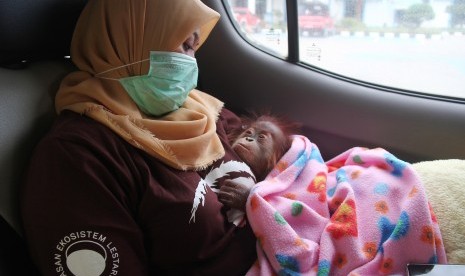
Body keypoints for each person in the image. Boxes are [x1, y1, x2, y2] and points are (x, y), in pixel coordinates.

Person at [20, 0, 257, 275]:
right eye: (185, 45)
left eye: (194, 47)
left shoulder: (200, 108)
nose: (192, 63)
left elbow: (284, 170)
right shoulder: (77, 158)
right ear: (130, 40)